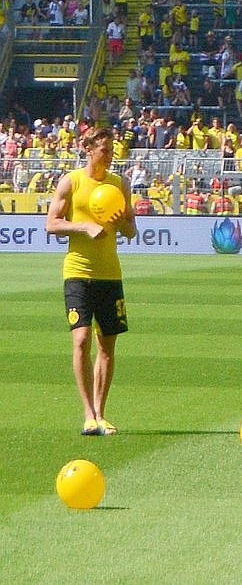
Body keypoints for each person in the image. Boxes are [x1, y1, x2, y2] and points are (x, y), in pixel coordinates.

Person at [48, 126, 135, 436]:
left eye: (112, 151)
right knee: (82, 339)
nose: (110, 156)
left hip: (110, 273)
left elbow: (131, 230)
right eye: (105, 151)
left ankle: (101, 411)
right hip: (78, 272)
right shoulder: (71, 182)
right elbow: (51, 224)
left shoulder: (120, 184)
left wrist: (120, 221)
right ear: (88, 149)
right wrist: (84, 227)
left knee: (107, 345)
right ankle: (87, 413)